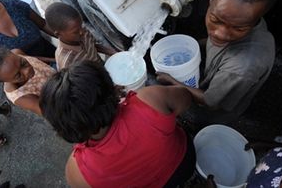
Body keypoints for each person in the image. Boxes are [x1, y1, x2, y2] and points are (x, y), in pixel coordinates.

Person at [156, 0, 281, 127]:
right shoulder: (243, 16)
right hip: (221, 81)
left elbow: (209, 102)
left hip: (215, 113)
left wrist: (170, 79)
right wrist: (193, 46)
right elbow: (215, 38)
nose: (219, 34)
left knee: (198, 121)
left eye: (238, 28)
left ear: (259, 16)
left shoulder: (242, 67)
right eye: (215, 19)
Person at [39, 61, 195, 187]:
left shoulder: (76, 172)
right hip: (183, 164)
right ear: (113, 88)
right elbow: (186, 99)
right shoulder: (149, 99)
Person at [0, 47, 56, 115]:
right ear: (2, 81)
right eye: (18, 75)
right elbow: (50, 113)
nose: (27, 70)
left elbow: (34, 59)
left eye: (23, 63)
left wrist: (56, 60)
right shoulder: (19, 95)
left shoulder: (16, 53)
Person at [44, 2, 116, 69]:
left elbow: (92, 46)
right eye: (75, 32)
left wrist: (112, 52)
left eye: (81, 25)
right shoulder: (66, 61)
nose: (82, 32)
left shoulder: (82, 31)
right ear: (58, 34)